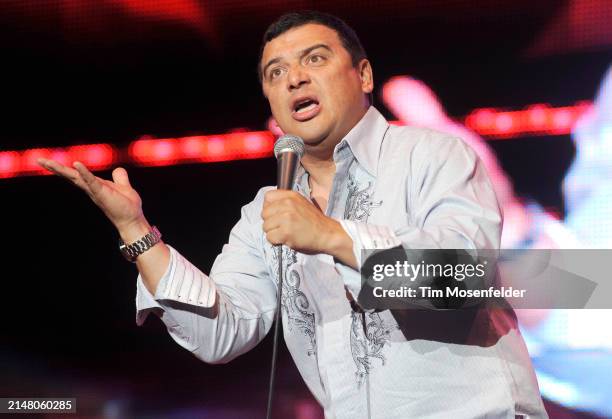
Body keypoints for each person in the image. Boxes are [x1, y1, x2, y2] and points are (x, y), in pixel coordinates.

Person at [37, 11, 547, 419]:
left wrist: (330, 236)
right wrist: (137, 232)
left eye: (315, 59)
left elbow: (462, 278)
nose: (294, 78)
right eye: (275, 73)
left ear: (363, 74)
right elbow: (221, 334)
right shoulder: (269, 206)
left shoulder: (430, 155)